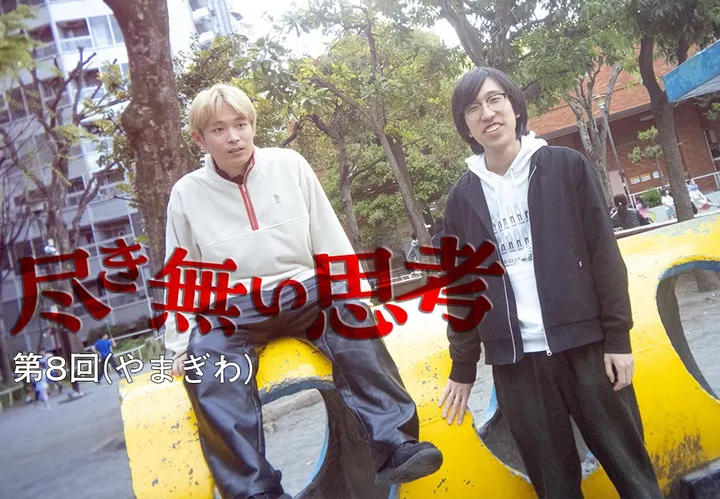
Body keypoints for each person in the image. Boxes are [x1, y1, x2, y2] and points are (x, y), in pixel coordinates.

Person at [164, 83, 442, 499]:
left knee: (350, 317)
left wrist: (356, 293)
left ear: (252, 125)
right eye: (219, 129)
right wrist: (179, 343)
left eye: (241, 124)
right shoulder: (187, 193)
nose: (234, 137)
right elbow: (182, 270)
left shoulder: (288, 165)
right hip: (234, 306)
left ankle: (395, 446)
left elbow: (326, 232)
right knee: (209, 363)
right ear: (199, 138)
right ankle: (254, 491)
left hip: (304, 290)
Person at [435, 67, 662, 499]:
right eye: (473, 108)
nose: (487, 113)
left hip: (588, 348)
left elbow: (604, 256)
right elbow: (461, 287)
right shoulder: (461, 199)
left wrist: (618, 338)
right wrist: (463, 366)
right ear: (465, 125)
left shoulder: (566, 167)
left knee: (633, 474)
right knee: (554, 486)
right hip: (517, 364)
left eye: (495, 99)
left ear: (514, 106)